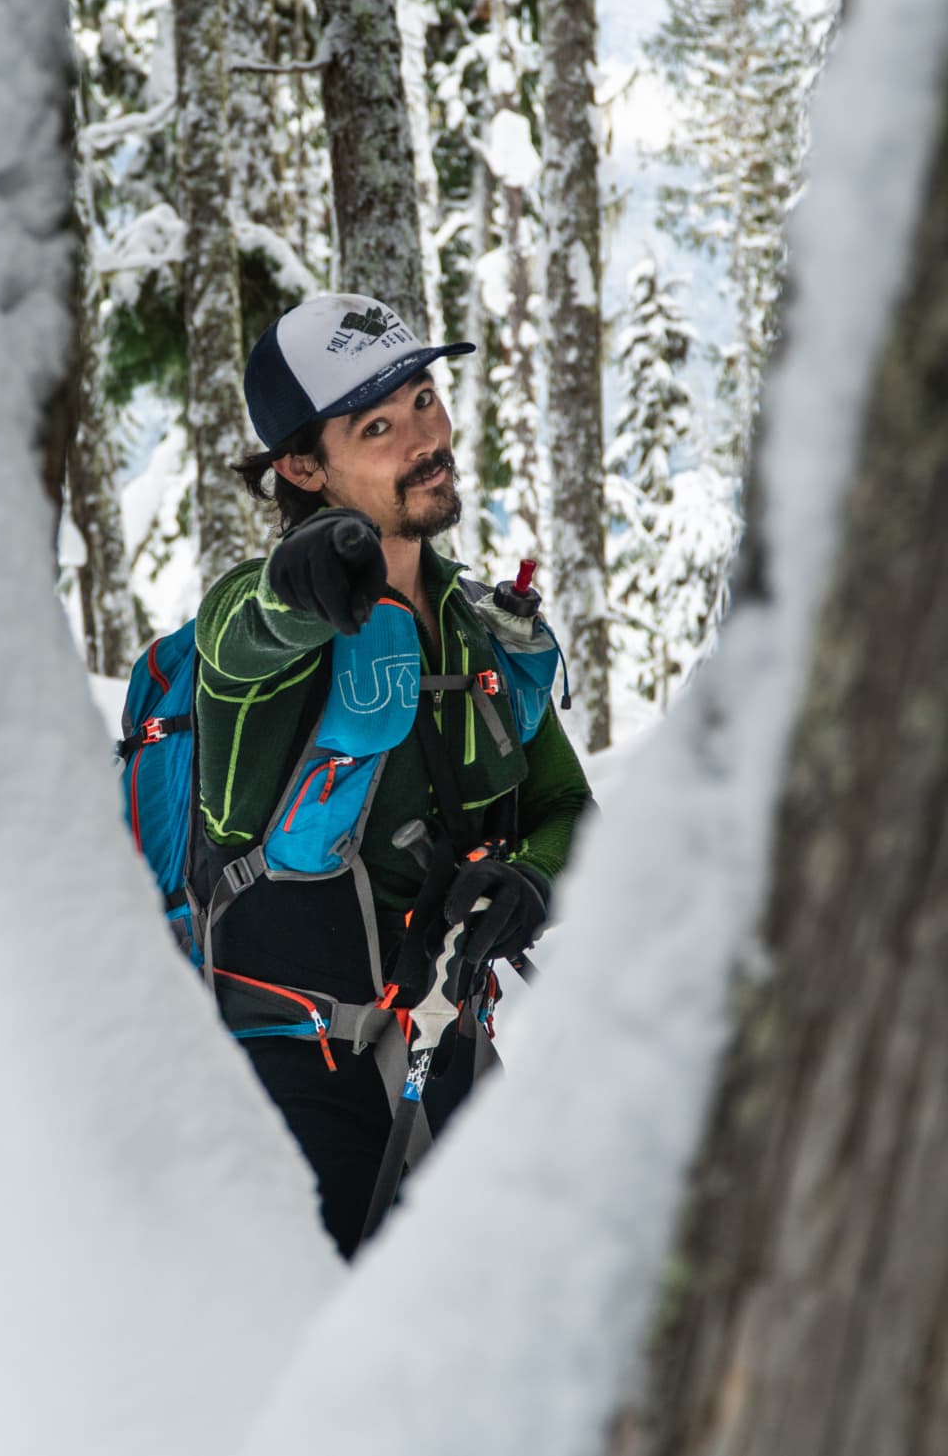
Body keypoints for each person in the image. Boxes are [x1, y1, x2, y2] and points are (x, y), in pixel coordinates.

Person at [191, 292, 592, 1257]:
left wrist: (530, 876)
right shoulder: (274, 624)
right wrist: (300, 579)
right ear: (301, 467)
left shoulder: (481, 628)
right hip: (295, 1090)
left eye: (423, 399)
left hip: (453, 1054)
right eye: (377, 425)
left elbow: (570, 807)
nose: (425, 437)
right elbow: (240, 637)